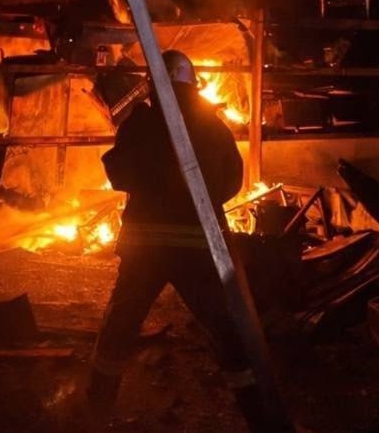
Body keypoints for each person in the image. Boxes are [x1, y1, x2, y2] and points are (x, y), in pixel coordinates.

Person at [88, 49, 258, 417]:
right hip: (196, 244)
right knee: (222, 323)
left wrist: (152, 186)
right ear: (192, 83)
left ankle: (96, 405)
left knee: (122, 320)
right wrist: (199, 199)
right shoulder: (212, 126)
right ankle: (256, 408)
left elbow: (118, 173)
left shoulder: (139, 124)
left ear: (152, 83)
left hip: (145, 243)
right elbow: (231, 180)